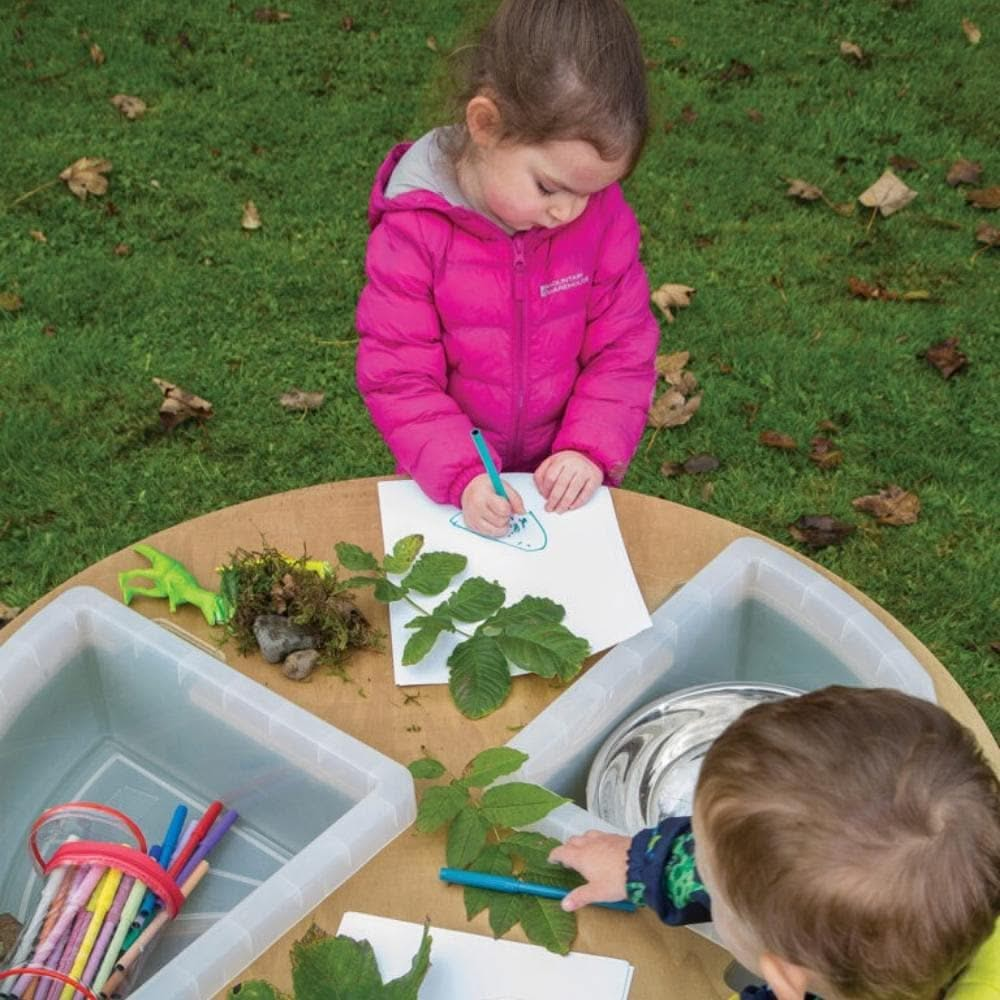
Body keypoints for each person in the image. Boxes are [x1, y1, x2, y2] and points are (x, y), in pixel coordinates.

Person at [356, 0, 659, 537]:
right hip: (452, 485)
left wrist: (588, 449)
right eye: (549, 187)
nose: (569, 211)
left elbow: (623, 349)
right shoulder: (413, 232)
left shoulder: (600, 221)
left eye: (592, 191)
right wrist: (462, 475)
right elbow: (400, 376)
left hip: (563, 485)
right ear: (486, 126)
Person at [549, 687, 1000, 1000]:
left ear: (784, 979)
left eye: (703, 865)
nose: (697, 864)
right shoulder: (971, 880)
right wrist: (640, 866)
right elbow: (760, 868)